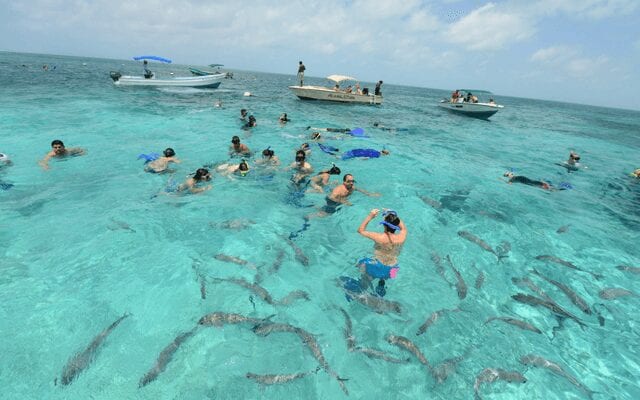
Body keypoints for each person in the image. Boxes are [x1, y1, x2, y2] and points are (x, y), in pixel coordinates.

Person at [356, 209, 407, 296]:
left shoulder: (379, 237)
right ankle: (381, 284)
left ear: (384, 225)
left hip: (376, 266)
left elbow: (360, 230)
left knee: (360, 264)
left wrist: (370, 216)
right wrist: (392, 213)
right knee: (383, 277)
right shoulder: (402, 236)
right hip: (392, 270)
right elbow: (403, 227)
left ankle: (361, 292)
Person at [310, 174, 380, 218]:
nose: (351, 183)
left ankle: (317, 208)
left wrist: (370, 194)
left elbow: (360, 189)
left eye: (352, 181)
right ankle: (309, 216)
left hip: (340, 201)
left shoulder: (352, 187)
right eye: (349, 181)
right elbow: (331, 197)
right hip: (332, 201)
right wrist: (343, 201)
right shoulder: (339, 190)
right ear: (344, 182)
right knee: (327, 214)